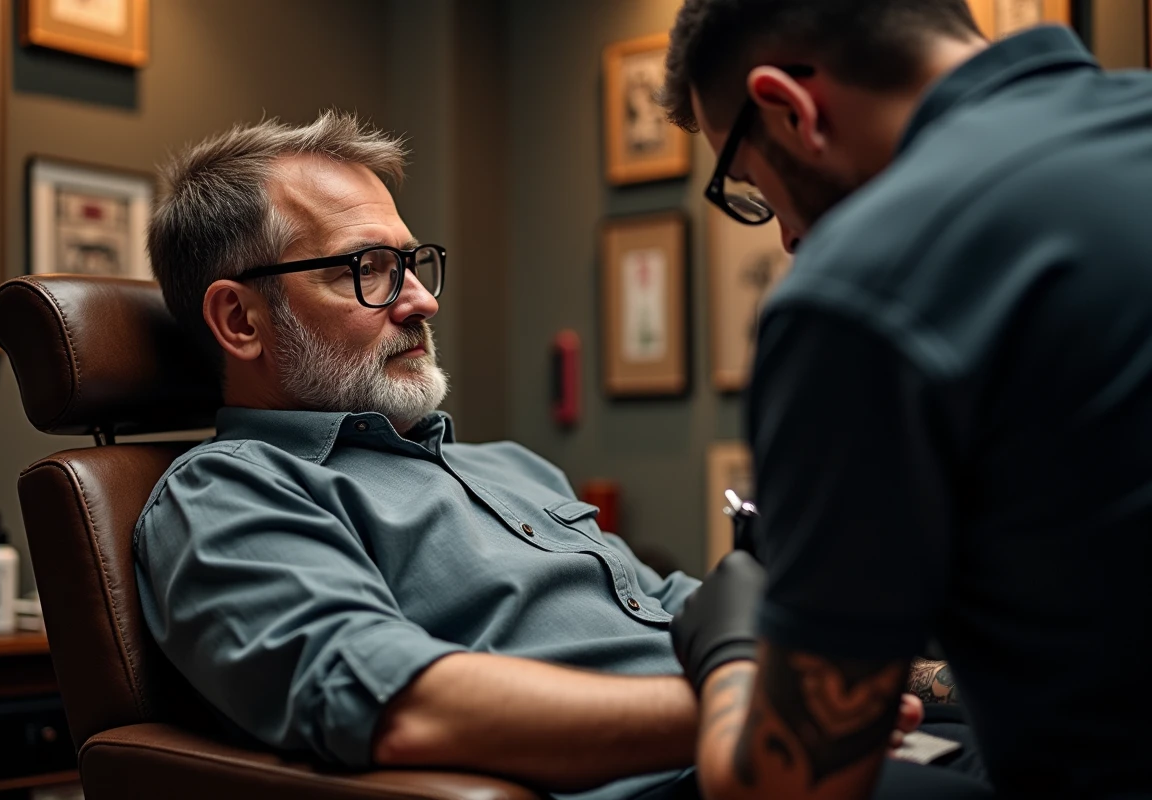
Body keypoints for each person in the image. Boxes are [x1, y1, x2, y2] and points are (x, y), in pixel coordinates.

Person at [136, 112, 957, 800]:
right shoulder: (229, 494)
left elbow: (682, 613)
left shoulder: (509, 468)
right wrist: (765, 710)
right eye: (369, 271)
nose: (420, 300)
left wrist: (914, 682)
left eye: (412, 265)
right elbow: (395, 703)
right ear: (240, 321)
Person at [659, 1, 1152, 798]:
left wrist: (733, 646)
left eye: (747, 183)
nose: (784, 236)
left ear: (789, 106)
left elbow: (785, 787)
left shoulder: (860, 287)